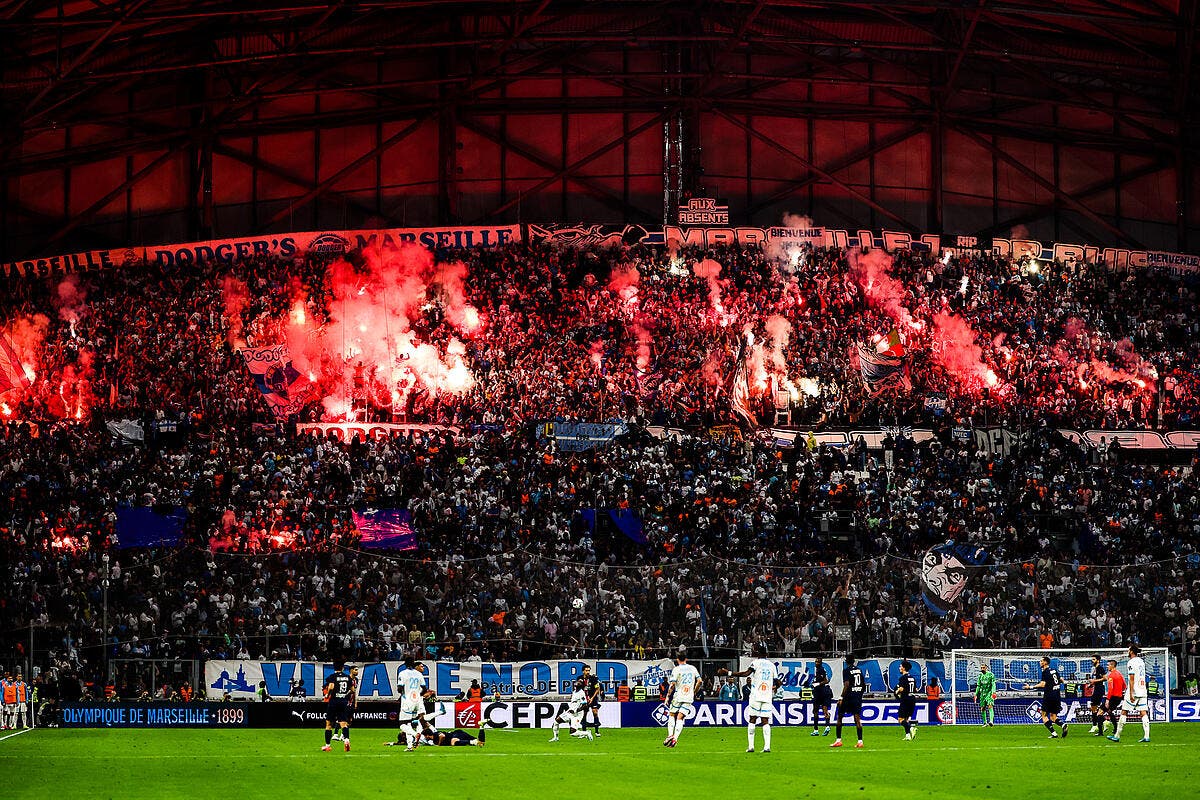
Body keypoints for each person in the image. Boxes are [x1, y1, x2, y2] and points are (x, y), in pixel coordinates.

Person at [719, 643, 779, 753]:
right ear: (766, 654)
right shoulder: (772, 665)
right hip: (767, 696)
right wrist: (774, 687)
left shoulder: (755, 663)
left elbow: (746, 674)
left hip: (756, 695)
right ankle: (767, 747)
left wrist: (729, 672)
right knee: (765, 721)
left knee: (752, 719)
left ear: (757, 653)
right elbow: (778, 681)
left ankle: (751, 746)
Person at [1109, 645, 1151, 743]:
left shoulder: (1131, 662)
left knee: (1124, 711)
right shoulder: (1141, 661)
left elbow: (1131, 678)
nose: (1127, 651)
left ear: (1131, 651)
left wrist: (1131, 692)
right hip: (1142, 689)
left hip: (1134, 690)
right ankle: (1147, 736)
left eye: (1128, 650)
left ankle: (1117, 736)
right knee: (1143, 712)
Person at [664, 647, 700, 748]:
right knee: (680, 717)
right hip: (689, 696)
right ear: (686, 659)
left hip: (678, 695)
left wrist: (667, 696)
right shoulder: (693, 668)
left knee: (672, 714)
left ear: (677, 659)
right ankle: (675, 738)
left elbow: (672, 684)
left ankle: (670, 735)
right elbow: (700, 681)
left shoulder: (676, 669)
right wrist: (694, 691)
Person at [1024, 655, 1068, 739]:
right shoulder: (1054, 670)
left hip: (1049, 696)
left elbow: (1043, 684)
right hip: (1057, 695)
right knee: (1053, 716)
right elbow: (1061, 679)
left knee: (1043, 715)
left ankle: (1054, 734)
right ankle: (1063, 724)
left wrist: (1030, 687)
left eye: (1041, 661)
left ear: (1045, 662)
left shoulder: (1045, 672)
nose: (1040, 662)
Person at [831, 654, 865, 749]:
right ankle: (860, 741)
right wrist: (859, 695)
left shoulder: (846, 670)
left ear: (846, 661)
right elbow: (864, 685)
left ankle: (838, 740)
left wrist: (841, 697)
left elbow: (846, 685)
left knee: (840, 717)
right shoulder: (859, 670)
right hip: (857, 697)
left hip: (848, 697)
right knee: (857, 719)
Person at [321, 662, 355, 752]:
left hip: (334, 701)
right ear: (343, 668)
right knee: (343, 723)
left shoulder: (332, 676)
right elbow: (352, 690)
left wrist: (327, 695)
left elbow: (331, 687)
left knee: (328, 724)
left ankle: (327, 746)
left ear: (334, 668)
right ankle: (347, 740)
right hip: (343, 702)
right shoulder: (348, 677)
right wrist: (344, 695)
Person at [396, 658, 428, 752]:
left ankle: (415, 735)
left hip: (407, 700)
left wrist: (403, 693)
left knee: (402, 724)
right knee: (410, 723)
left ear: (405, 664)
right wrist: (418, 694)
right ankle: (410, 746)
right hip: (417, 699)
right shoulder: (419, 674)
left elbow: (400, 688)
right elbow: (424, 689)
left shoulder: (402, 673)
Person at [1083, 654, 1107, 736]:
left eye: (1093, 659)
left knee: (1094, 707)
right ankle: (1104, 722)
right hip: (1096, 688)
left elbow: (1105, 678)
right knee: (1094, 707)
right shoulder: (1095, 669)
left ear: (1098, 660)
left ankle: (1095, 725)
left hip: (1099, 689)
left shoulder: (1100, 668)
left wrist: (1094, 681)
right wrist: (1091, 684)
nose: (1092, 661)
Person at [896, 660, 919, 740]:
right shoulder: (912, 678)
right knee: (906, 719)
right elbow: (916, 689)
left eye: (900, 666)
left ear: (904, 668)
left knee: (900, 719)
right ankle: (908, 735)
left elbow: (901, 689)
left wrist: (897, 691)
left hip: (905, 699)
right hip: (912, 699)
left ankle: (911, 728)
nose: (899, 668)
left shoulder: (903, 677)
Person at [1102, 659, 1126, 737]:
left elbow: (1110, 688)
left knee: (1099, 712)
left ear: (1112, 665)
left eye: (1108, 665)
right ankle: (1115, 728)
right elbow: (1124, 686)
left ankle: (1104, 724)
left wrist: (1108, 699)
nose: (1107, 666)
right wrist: (1119, 691)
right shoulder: (1120, 674)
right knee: (1109, 711)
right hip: (1119, 697)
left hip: (1112, 697)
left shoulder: (1111, 675)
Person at [811, 657, 833, 736]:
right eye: (815, 661)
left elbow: (827, 680)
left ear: (821, 662)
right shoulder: (817, 670)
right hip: (822, 691)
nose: (816, 663)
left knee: (816, 710)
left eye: (818, 662)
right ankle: (827, 726)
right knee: (824, 710)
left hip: (821, 692)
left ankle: (816, 730)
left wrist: (818, 684)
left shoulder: (821, 670)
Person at [581, 664, 603, 736]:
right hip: (584, 699)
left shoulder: (593, 679)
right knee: (584, 714)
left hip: (593, 698)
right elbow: (577, 689)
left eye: (589, 670)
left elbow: (597, 689)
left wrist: (592, 698)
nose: (588, 672)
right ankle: (584, 732)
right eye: (586, 670)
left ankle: (597, 731)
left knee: (595, 713)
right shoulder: (579, 678)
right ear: (583, 671)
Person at [975, 662, 997, 727]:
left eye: (983, 667)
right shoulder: (980, 676)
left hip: (989, 693)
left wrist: (993, 692)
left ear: (986, 668)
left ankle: (991, 721)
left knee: (990, 706)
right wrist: (976, 694)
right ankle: (985, 723)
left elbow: (993, 684)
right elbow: (978, 686)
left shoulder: (991, 675)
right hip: (982, 694)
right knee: (982, 708)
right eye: (981, 668)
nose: (982, 669)